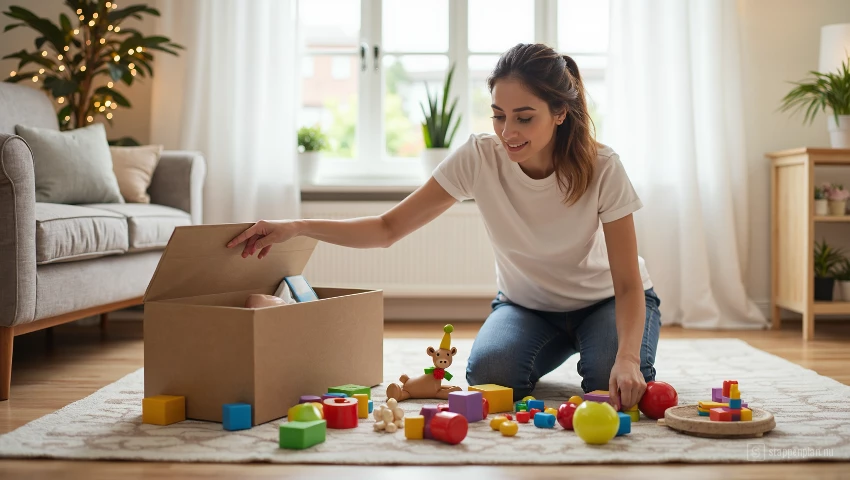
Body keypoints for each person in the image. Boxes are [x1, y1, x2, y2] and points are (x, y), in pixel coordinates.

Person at [227, 43, 661, 410]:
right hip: (528, 306)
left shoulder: (602, 167)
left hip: (606, 301)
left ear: (561, 113)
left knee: (614, 381)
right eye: (498, 115)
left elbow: (626, 284)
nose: (507, 131)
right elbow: (386, 228)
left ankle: (603, 347)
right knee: (492, 375)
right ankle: (572, 347)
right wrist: (297, 226)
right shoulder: (479, 157)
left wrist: (626, 357)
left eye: (524, 117)